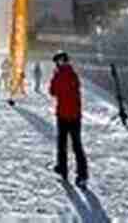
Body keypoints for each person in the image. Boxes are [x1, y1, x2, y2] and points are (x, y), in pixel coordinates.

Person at [48, 51, 88, 186]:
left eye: (59, 61)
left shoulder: (61, 75)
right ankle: (78, 173)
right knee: (74, 145)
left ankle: (66, 170)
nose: (59, 63)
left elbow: (53, 91)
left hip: (66, 116)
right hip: (72, 115)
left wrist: (55, 77)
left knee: (65, 144)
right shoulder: (73, 75)